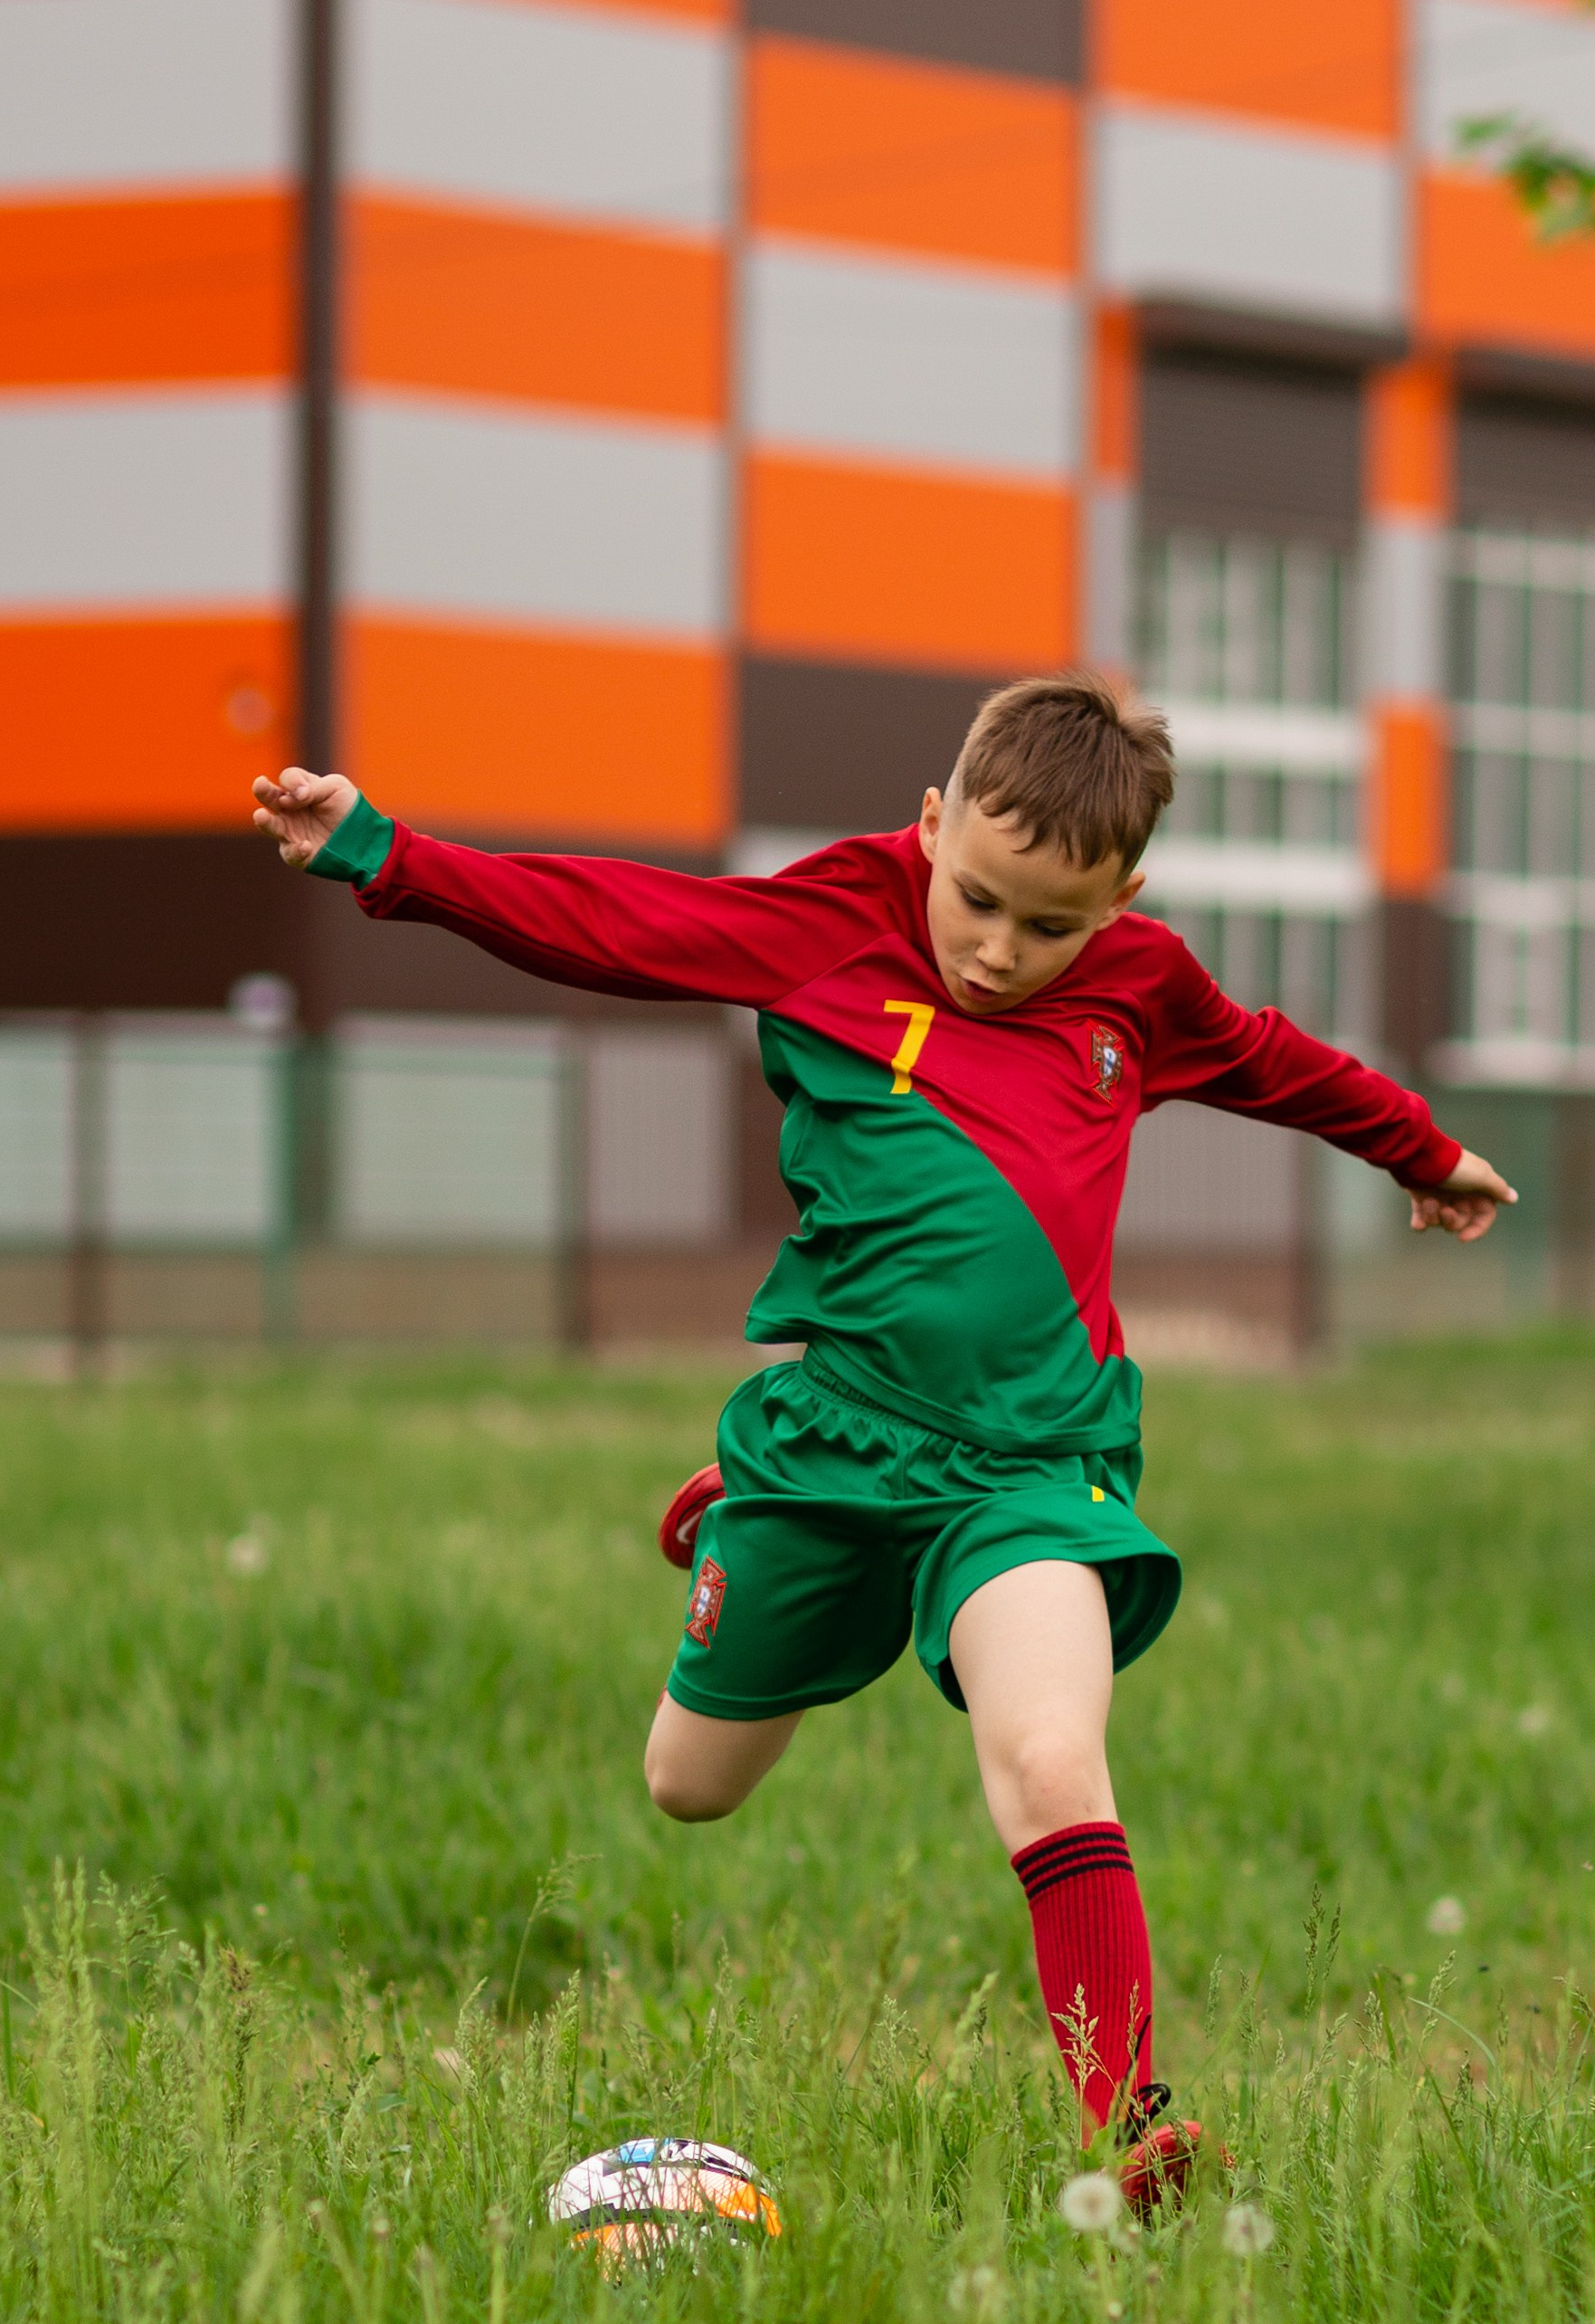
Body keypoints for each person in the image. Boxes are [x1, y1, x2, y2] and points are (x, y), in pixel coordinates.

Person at [253, 671, 1514, 2204]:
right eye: (977, 900)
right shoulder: (830, 923)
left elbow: (1270, 1059)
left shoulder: (1140, 987)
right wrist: (387, 853)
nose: (998, 951)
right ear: (931, 826)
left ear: (1122, 900)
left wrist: (1424, 1148)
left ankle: (1132, 2130)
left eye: (1050, 927)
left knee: (1051, 1757)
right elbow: (613, 920)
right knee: (688, 1786)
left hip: (1034, 1469)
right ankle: (741, 1516)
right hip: (832, 1452)